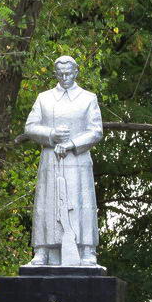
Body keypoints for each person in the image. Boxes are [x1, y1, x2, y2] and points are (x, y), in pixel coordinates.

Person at [23, 55, 103, 267]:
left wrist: (72, 143)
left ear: (76, 72)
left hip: (78, 159)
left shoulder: (88, 98)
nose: (65, 77)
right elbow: (30, 127)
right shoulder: (44, 98)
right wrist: (52, 134)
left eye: (69, 73)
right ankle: (42, 251)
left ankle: (87, 250)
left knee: (82, 204)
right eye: (61, 74)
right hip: (51, 159)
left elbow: (96, 131)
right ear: (55, 74)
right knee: (47, 204)